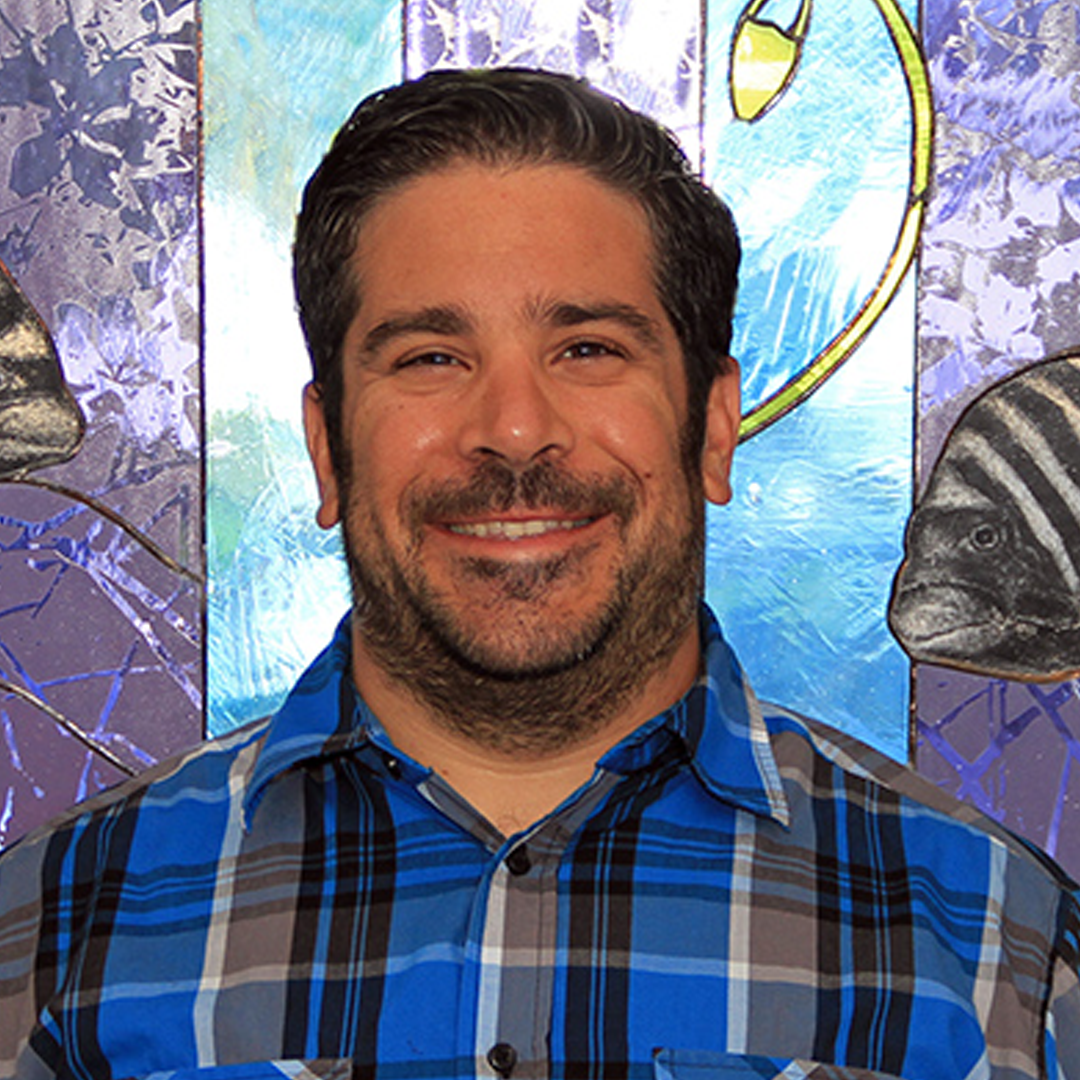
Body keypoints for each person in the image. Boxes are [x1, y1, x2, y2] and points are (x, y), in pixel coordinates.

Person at [0, 67, 1077, 1080]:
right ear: (327, 451)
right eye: (430, 357)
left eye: (589, 349)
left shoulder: (999, 947)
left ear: (711, 427)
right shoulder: (51, 934)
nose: (514, 431)